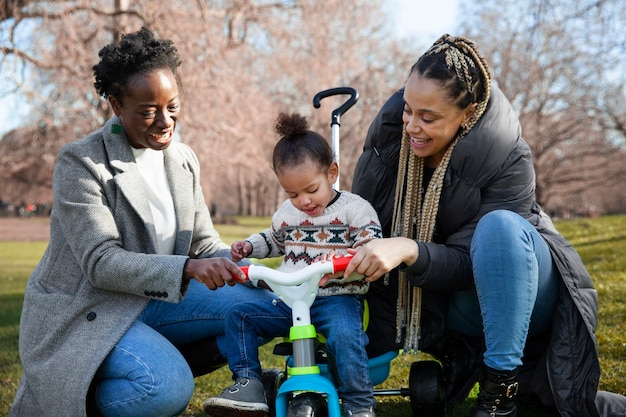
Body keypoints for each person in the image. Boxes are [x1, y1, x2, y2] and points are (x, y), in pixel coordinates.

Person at [343, 34, 626, 417]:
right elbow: (363, 220)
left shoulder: (508, 155)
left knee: (499, 228)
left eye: (428, 117)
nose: (411, 126)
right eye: (408, 110)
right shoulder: (389, 138)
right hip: (445, 303)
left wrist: (409, 248)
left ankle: (500, 395)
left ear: (468, 112)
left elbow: (469, 263)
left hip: (519, 287)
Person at [9, 27, 274, 417]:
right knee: (165, 389)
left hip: (156, 301)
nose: (165, 120)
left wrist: (246, 269)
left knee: (267, 304)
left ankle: (217, 374)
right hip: (90, 309)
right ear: (116, 104)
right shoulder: (81, 163)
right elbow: (101, 263)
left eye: (173, 106)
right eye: (148, 110)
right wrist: (189, 268)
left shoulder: (183, 159)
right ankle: (71, 395)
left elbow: (203, 244)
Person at [202, 112, 383, 417]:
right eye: (292, 193)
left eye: (311, 190)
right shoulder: (288, 212)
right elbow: (274, 238)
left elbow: (370, 249)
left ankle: (358, 403)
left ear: (332, 172)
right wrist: (250, 246)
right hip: (290, 298)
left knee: (344, 334)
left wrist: (340, 262)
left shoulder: (356, 210)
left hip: (335, 298)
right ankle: (249, 383)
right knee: (239, 315)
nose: (304, 201)